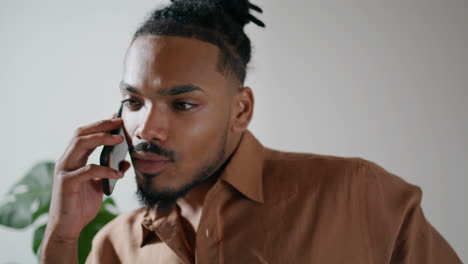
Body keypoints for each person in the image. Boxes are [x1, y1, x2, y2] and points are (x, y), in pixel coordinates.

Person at [40, 0, 462, 263]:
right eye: (133, 102)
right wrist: (61, 236)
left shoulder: (355, 193)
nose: (146, 129)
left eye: (182, 104)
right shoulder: (116, 246)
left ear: (241, 110)